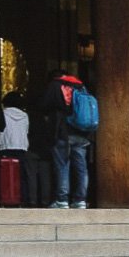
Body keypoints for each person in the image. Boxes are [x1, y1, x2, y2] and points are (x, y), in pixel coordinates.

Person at [40, 70, 93, 209]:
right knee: (81, 166)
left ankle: (62, 199)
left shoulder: (55, 85)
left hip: (62, 131)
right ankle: (80, 200)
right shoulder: (81, 86)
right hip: (82, 132)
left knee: (62, 165)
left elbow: (45, 106)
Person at [0, 91, 34, 206]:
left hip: (5, 146)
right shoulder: (25, 116)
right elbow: (26, 131)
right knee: (21, 175)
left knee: (4, 174)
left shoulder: (2, 113)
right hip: (21, 147)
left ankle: (5, 198)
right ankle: (21, 199)